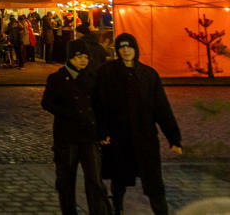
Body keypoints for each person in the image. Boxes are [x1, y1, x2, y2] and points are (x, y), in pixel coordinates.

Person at [93, 33, 182, 215]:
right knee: (119, 178)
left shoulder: (148, 75)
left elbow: (162, 108)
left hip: (145, 138)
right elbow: (98, 105)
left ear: (135, 49)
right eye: (122, 47)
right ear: (117, 50)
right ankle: (118, 208)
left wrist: (174, 138)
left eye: (129, 47)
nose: (126, 51)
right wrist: (102, 132)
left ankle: (160, 211)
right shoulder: (107, 72)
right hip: (119, 137)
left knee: (154, 181)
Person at [42, 40, 111, 215]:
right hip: (67, 138)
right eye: (79, 57)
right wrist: (67, 112)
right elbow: (47, 102)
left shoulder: (92, 78)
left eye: (86, 57)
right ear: (70, 57)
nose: (83, 61)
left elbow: (100, 107)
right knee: (66, 181)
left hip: (89, 136)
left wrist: (103, 131)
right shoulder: (57, 78)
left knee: (95, 180)